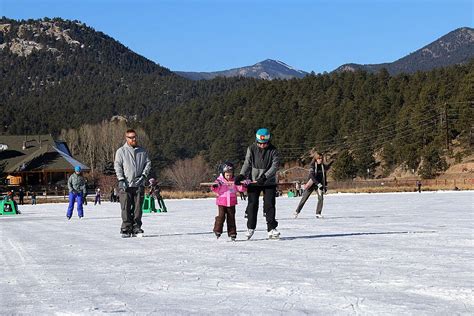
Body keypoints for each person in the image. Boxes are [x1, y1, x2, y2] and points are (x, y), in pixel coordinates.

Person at [235, 128, 280, 240]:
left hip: (268, 181)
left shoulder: (273, 150)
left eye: (264, 143)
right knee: (252, 204)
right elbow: (247, 162)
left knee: (269, 205)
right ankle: (250, 227)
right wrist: (241, 175)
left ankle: (271, 229)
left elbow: (275, 166)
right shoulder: (251, 148)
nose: (262, 145)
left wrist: (264, 177)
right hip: (254, 181)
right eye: (260, 143)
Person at [114, 129, 151, 238]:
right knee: (125, 207)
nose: (133, 139)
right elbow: (118, 166)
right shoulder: (121, 151)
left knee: (138, 208)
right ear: (126, 138)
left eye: (134, 137)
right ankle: (126, 228)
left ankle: (136, 227)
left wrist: (144, 176)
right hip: (126, 184)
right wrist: (121, 179)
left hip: (138, 184)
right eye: (130, 137)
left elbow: (148, 163)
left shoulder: (142, 151)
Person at [211, 162, 248, 241]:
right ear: (223, 174)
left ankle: (232, 233)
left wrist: (244, 185)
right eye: (227, 175)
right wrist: (215, 186)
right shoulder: (219, 181)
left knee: (231, 217)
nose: (229, 176)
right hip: (222, 202)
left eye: (230, 175)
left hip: (231, 202)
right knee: (221, 216)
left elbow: (241, 189)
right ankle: (217, 230)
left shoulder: (235, 181)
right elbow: (215, 189)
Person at [294, 152, 333, 219]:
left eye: (321, 158)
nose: (320, 160)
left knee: (321, 198)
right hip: (312, 184)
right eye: (319, 158)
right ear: (316, 159)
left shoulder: (322, 166)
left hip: (319, 185)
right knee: (304, 198)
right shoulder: (312, 166)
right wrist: (317, 183)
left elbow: (324, 177)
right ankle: (297, 211)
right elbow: (312, 176)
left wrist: (325, 186)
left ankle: (318, 213)